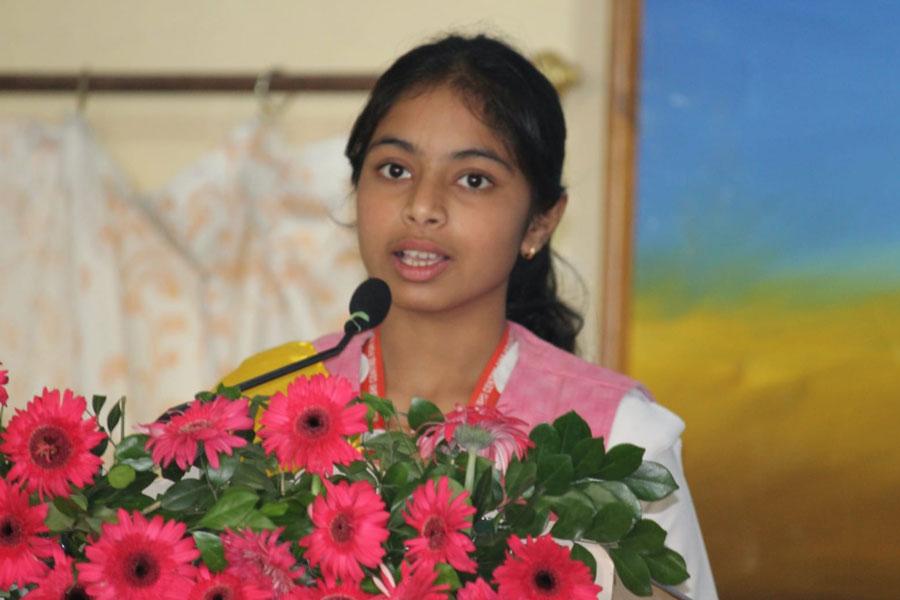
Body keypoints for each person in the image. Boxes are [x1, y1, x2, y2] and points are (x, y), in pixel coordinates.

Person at [223, 34, 717, 599]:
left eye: (473, 179)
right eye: (393, 169)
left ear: (539, 222)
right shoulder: (265, 398)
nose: (423, 207)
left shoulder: (623, 440)